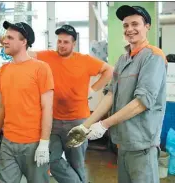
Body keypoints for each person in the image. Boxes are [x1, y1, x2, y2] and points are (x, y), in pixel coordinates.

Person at [0, 23, 113, 183]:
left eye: (66, 42)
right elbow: (22, 49)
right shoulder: (47, 57)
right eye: (59, 41)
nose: (61, 45)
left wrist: (93, 89)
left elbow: (109, 71)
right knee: (51, 159)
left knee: (77, 163)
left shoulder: (85, 60)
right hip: (54, 120)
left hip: (78, 121)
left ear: (74, 44)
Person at [67, 5, 167, 183]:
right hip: (123, 142)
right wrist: (85, 126)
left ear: (147, 26)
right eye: (126, 25)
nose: (129, 29)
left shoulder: (153, 57)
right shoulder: (123, 60)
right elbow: (110, 95)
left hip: (142, 144)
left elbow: (142, 102)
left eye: (135, 24)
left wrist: (104, 124)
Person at [0, 21, 54, 183]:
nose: (4, 41)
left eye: (10, 37)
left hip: (33, 143)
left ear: (24, 42)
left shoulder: (41, 68)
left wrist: (44, 142)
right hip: (8, 143)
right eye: (5, 37)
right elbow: (1, 107)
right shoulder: (4, 70)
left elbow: (47, 108)